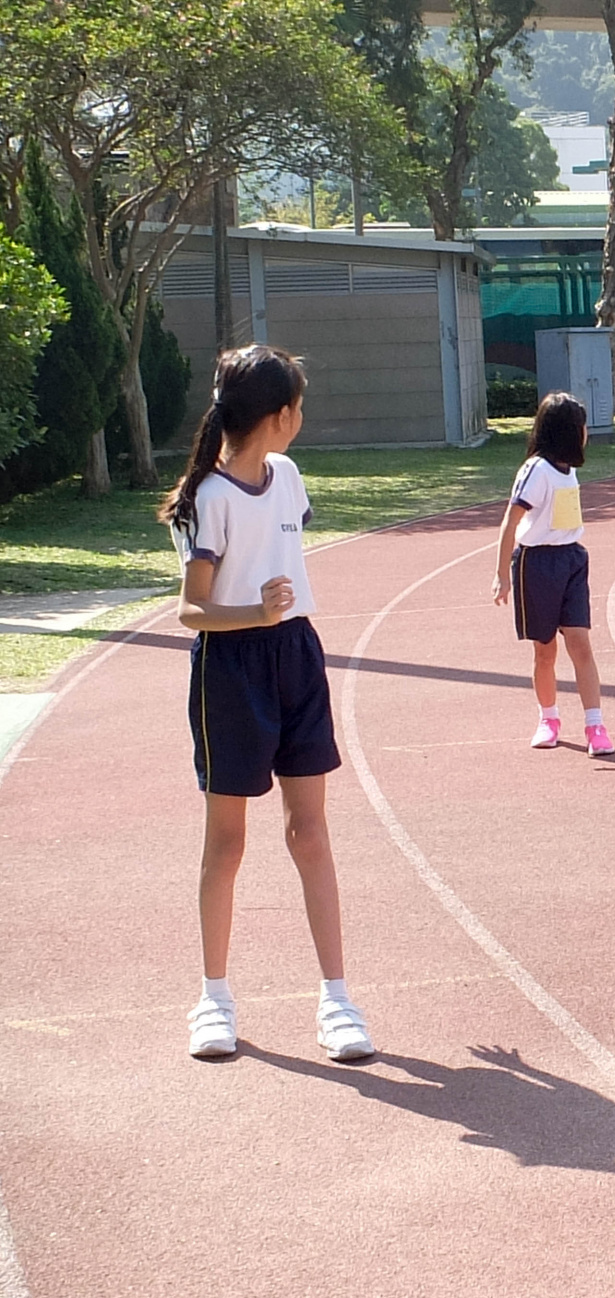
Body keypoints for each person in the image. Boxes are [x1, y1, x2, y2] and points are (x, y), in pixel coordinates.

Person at [158, 344, 375, 1063]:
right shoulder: (208, 497)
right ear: (280, 415)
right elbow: (189, 611)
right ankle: (213, 999)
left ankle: (337, 999)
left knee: (309, 832)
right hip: (231, 668)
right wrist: (254, 612)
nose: (302, 417)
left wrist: (274, 616)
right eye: (300, 406)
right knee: (228, 842)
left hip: (296, 658)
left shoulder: (287, 476)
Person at [493, 392, 612, 756]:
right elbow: (510, 521)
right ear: (566, 431)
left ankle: (595, 725)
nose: (586, 432)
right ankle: (549, 719)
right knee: (545, 650)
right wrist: (502, 574)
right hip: (537, 564)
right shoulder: (536, 471)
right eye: (581, 426)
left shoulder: (569, 469)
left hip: (572, 560)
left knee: (580, 643)